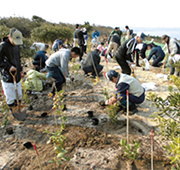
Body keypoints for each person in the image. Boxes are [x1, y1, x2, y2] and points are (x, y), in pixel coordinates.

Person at [0, 28, 23, 109]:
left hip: (16, 75)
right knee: (11, 97)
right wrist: (8, 66)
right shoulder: (3, 46)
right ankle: (13, 111)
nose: (16, 44)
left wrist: (20, 69)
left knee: (19, 95)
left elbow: (18, 58)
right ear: (9, 37)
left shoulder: (17, 46)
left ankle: (19, 108)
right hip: (7, 75)